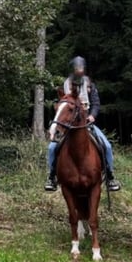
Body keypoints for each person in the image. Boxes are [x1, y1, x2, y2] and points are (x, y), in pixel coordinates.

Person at [45, 56, 121, 192]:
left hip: (85, 122)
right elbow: (63, 106)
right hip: (68, 124)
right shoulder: (66, 84)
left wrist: (92, 115)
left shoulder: (89, 83)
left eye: (81, 68)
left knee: (107, 146)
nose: (79, 70)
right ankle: (52, 177)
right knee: (52, 148)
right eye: (77, 68)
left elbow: (96, 103)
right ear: (73, 69)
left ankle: (110, 177)